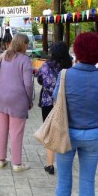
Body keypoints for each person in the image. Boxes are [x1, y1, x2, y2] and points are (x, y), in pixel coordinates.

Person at [51, 32, 98, 196]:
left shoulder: (65, 75)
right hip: (93, 133)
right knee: (88, 184)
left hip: (67, 132)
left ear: (76, 50)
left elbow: (56, 100)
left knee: (64, 183)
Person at [0, 33, 33, 172]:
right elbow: (28, 84)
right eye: (27, 44)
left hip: (0, 96)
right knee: (16, 132)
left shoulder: (4, 56)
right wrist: (29, 99)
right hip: (17, 98)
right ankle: (16, 163)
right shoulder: (25, 60)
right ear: (24, 44)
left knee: (1, 129)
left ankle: (1, 159)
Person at [37, 41, 73, 175]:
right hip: (65, 102)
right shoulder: (70, 66)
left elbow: (40, 79)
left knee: (49, 131)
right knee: (63, 130)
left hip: (48, 102)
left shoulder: (46, 65)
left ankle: (50, 164)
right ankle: (63, 160)